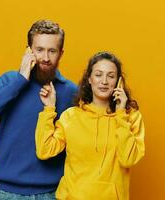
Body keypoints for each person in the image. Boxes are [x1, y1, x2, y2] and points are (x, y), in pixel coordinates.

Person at [0, 19, 77, 199]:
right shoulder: (10, 81)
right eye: (39, 49)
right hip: (6, 193)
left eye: (52, 51)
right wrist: (20, 81)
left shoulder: (71, 92)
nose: (45, 57)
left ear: (61, 53)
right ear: (28, 50)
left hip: (52, 193)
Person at [35, 51, 145, 200]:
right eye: (98, 75)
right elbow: (44, 150)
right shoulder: (71, 116)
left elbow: (128, 159)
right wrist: (48, 109)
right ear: (89, 79)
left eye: (111, 76)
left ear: (119, 82)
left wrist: (120, 114)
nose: (104, 81)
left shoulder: (131, 117)